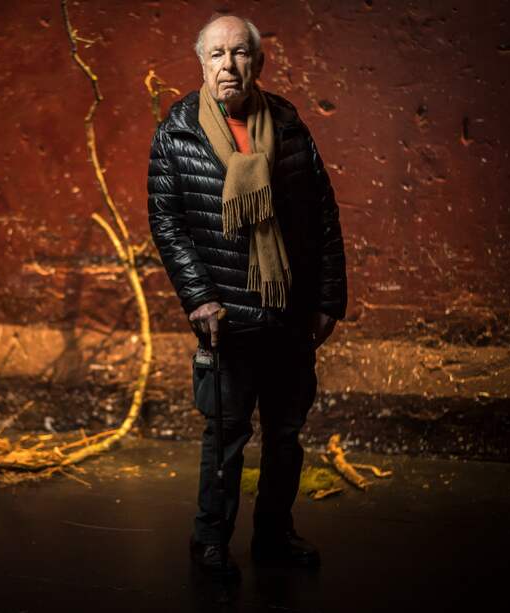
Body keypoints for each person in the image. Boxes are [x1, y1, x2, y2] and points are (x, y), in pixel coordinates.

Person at [147, 14, 348, 574]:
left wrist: (329, 297)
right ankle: (209, 540)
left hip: (288, 315)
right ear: (201, 65)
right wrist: (199, 298)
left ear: (258, 64)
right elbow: (167, 223)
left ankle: (274, 535)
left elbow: (323, 214)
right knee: (226, 435)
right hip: (226, 319)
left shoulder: (287, 126)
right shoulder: (178, 132)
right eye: (216, 55)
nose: (228, 65)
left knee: (285, 435)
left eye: (239, 54)